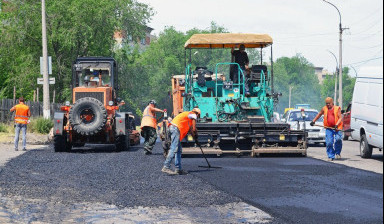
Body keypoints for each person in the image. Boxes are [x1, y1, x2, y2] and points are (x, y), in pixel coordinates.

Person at [162, 108, 201, 175]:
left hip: (174, 129)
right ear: (197, 113)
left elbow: (191, 131)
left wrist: (196, 140)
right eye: (198, 116)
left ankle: (178, 169)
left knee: (178, 150)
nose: (197, 118)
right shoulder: (192, 114)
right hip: (175, 129)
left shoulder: (188, 119)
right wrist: (196, 134)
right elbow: (194, 129)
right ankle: (166, 166)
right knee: (174, 148)